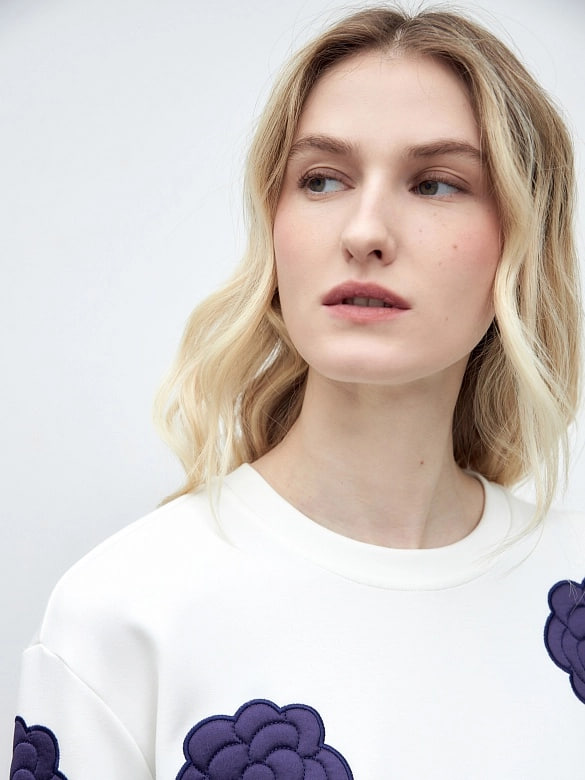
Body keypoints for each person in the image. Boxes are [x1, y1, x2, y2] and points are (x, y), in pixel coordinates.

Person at [10, 6, 584, 779]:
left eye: (434, 183)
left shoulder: (571, 586)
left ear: (522, 237)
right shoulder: (123, 610)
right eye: (321, 179)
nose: (364, 231)